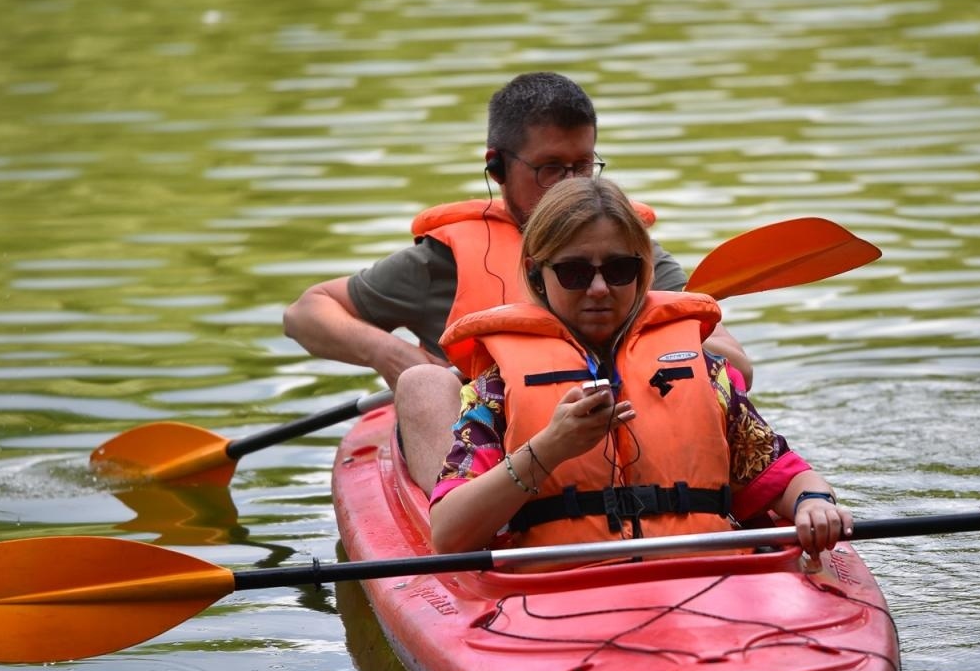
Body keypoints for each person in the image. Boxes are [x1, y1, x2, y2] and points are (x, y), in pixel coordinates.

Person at [282, 72, 751, 492]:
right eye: (550, 169)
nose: (570, 184)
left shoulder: (625, 257)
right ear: (498, 168)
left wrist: (647, 347)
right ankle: (458, 532)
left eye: (583, 166)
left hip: (625, 455)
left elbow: (735, 367)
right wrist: (392, 354)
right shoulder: (440, 263)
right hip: (487, 463)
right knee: (423, 382)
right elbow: (306, 312)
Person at [428, 178, 853, 560]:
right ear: (537, 275)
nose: (599, 290)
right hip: (561, 598)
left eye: (619, 270)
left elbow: (786, 475)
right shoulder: (497, 387)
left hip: (709, 587)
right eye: (575, 272)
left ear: (642, 271)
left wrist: (813, 502)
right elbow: (448, 534)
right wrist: (552, 447)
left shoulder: (705, 373)